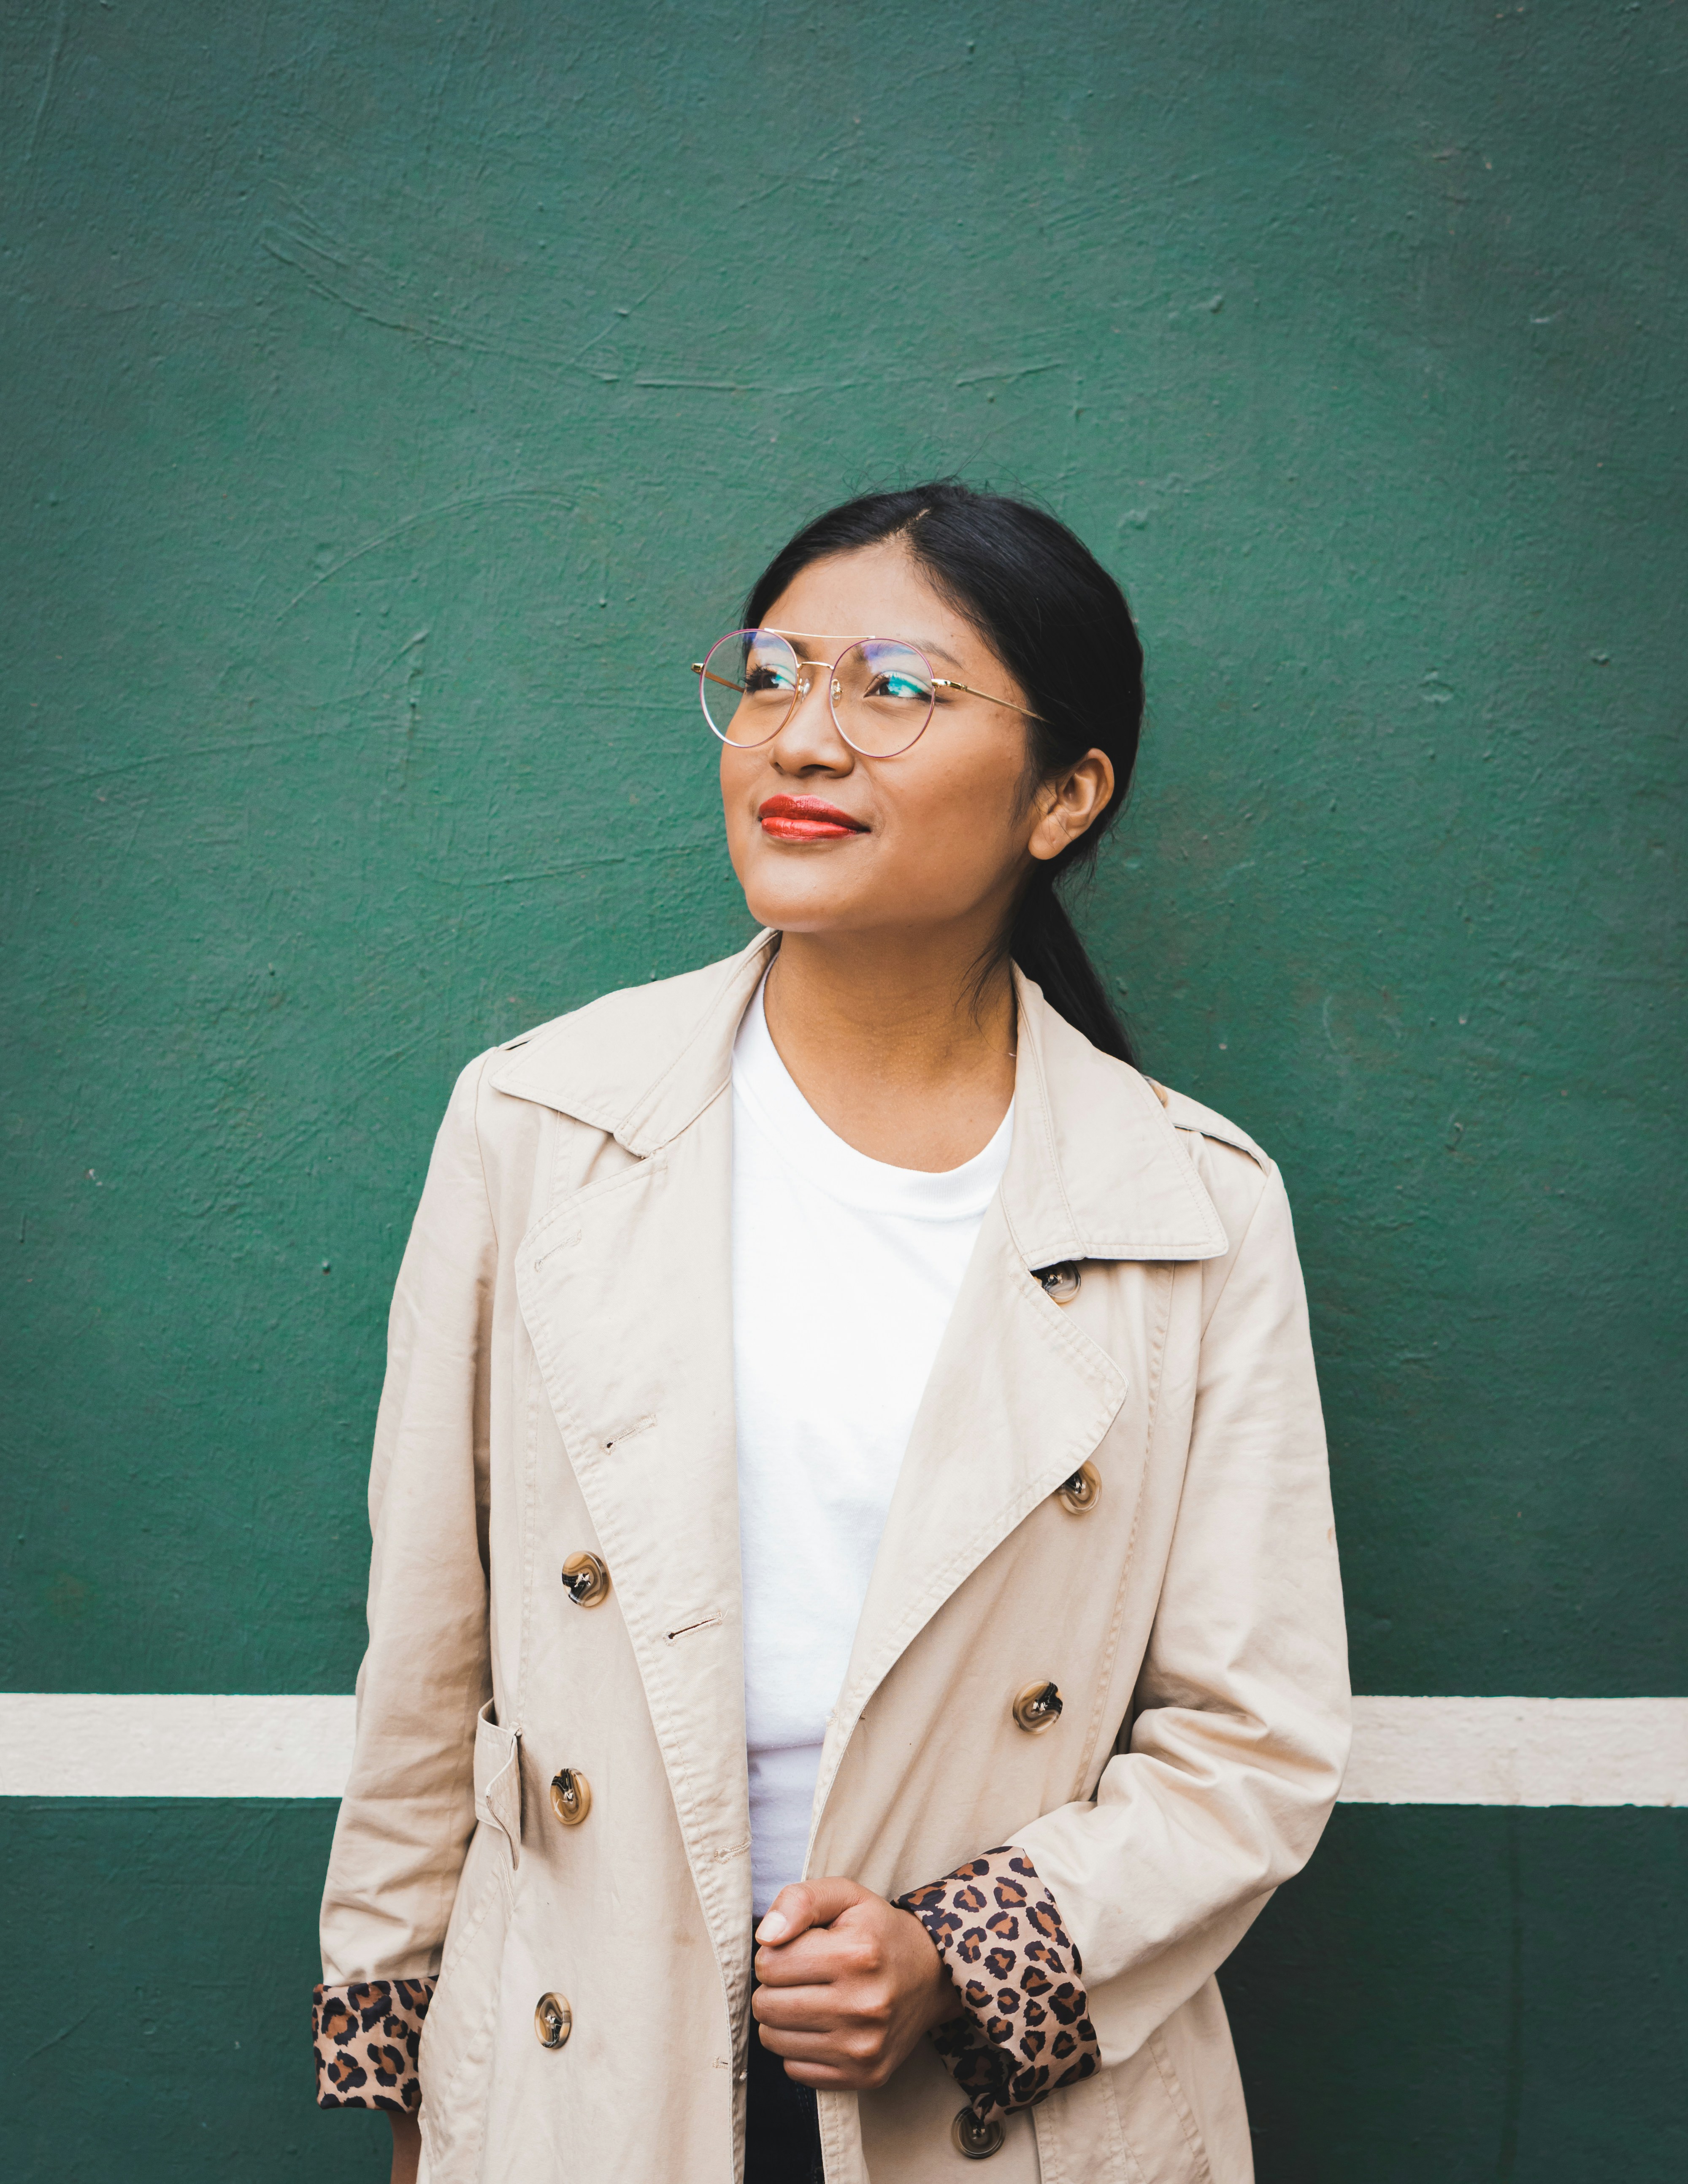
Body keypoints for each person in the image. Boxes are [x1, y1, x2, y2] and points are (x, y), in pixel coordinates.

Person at [311, 482, 1350, 2184]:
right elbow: (427, 1660)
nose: (803, 736)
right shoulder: (542, 1124)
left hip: (1001, 2105)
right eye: (773, 675)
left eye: (894, 689)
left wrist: (956, 1950)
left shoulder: (1191, 1206)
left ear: (1065, 793)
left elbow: (1255, 1737)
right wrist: (410, 2059)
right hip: (585, 2081)